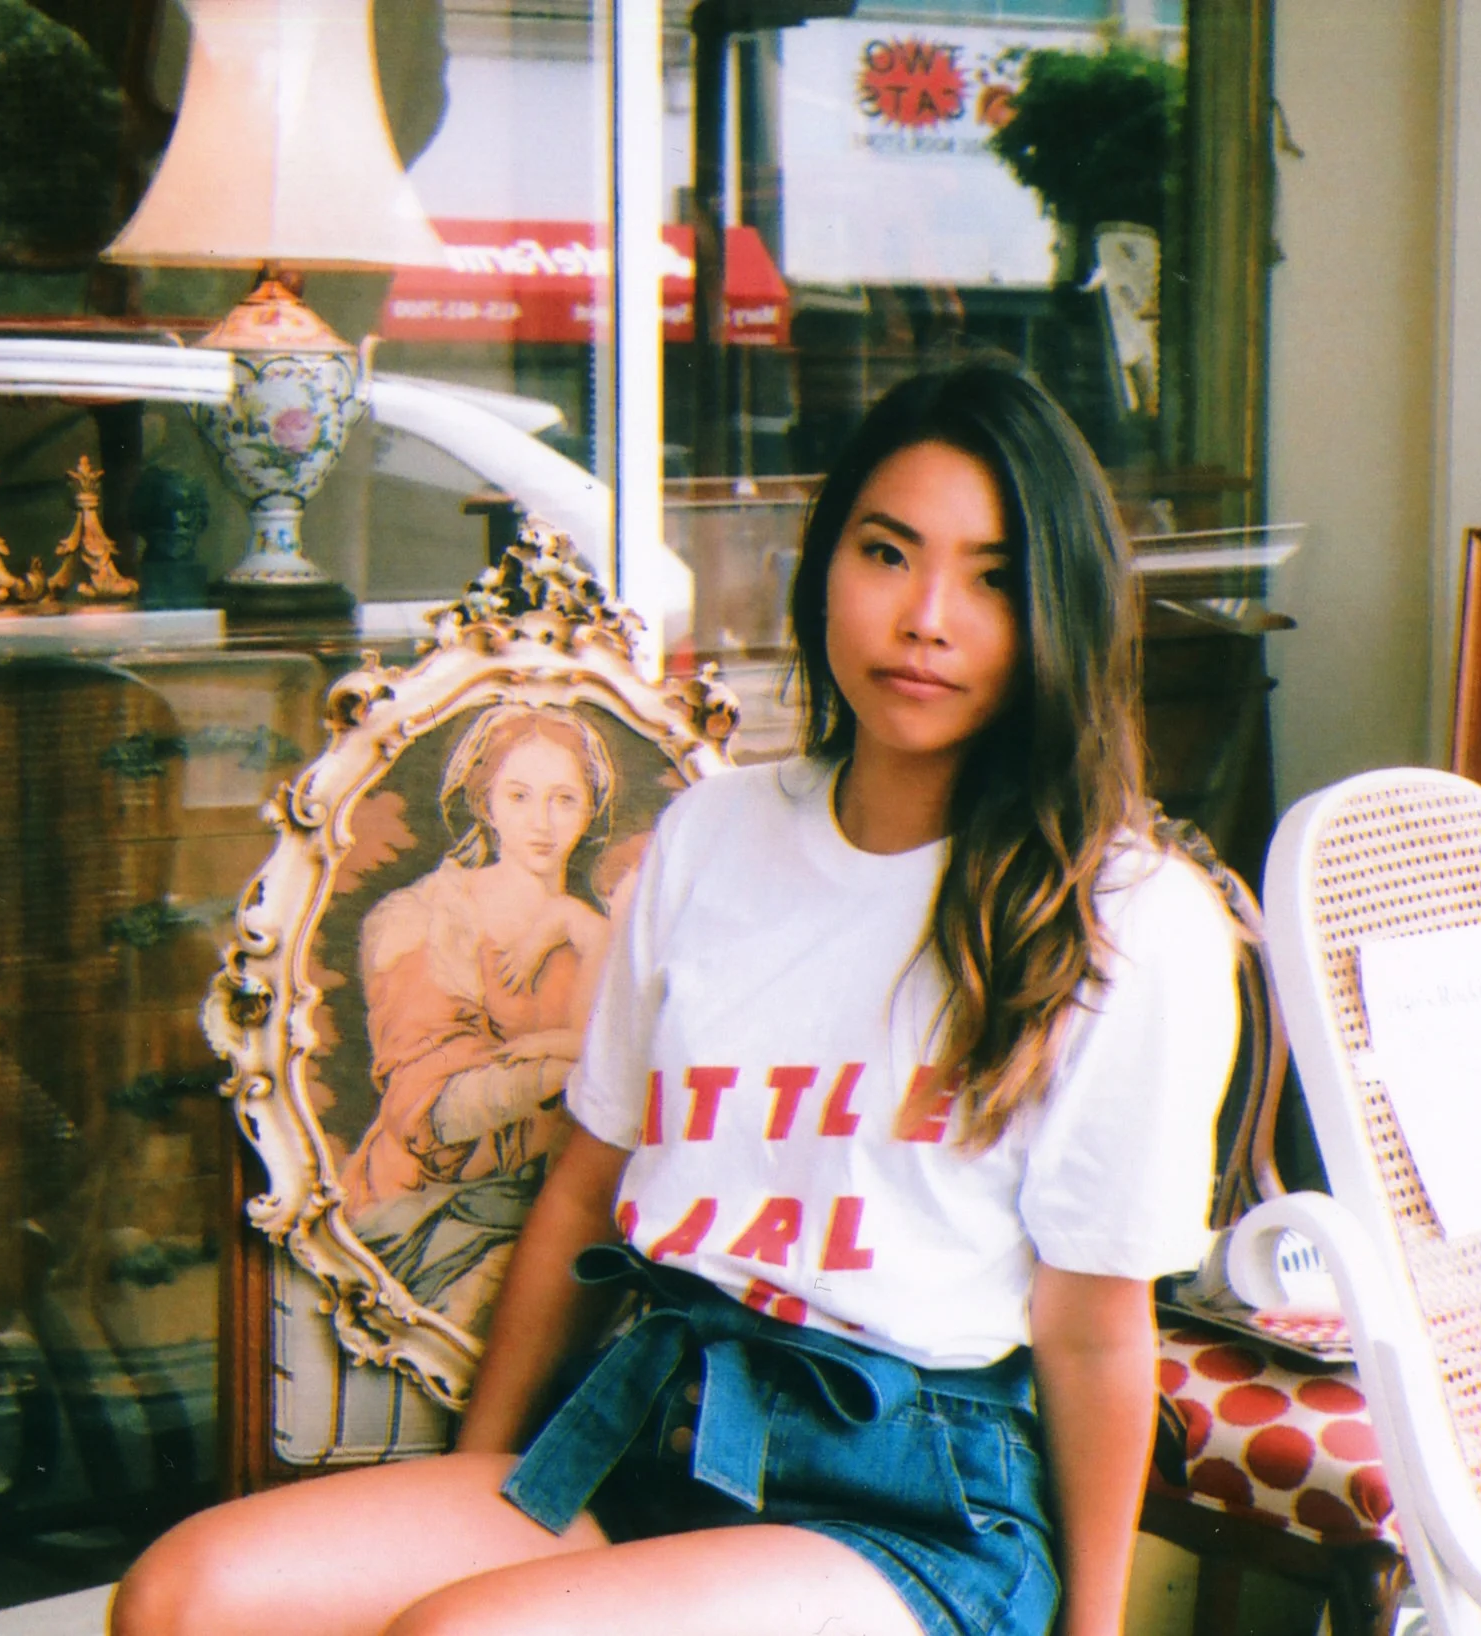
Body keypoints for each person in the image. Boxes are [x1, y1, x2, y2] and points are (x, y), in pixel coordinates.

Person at [112, 361, 1241, 1636]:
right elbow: (586, 1189)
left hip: (916, 1503)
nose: (927, 618)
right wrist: (475, 1489)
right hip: (646, 1427)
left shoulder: (1127, 920)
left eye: (993, 578)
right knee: (184, 1598)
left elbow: (1093, 1331)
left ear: (1058, 615)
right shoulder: (712, 834)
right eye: (886, 553)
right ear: (822, 569)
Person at [342, 704, 619, 1331]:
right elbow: (426, 1111)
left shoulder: (600, 931)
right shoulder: (424, 921)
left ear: (590, 809)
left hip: (570, 1208)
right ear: (485, 802)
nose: (542, 823)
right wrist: (573, 1068)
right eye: (519, 796)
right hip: (433, 1211)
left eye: (564, 799)